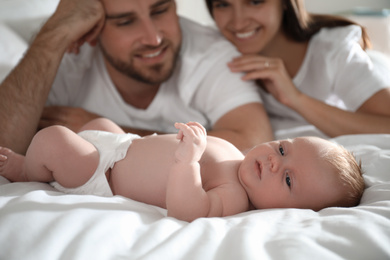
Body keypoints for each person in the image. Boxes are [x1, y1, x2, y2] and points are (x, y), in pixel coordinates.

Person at [0, 0, 273, 155]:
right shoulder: (67, 57)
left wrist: (108, 132)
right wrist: (53, 37)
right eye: (125, 22)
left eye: (160, 10)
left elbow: (253, 141)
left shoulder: (209, 53)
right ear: (92, 29)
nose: (153, 38)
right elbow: (4, 148)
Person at [0, 118, 364, 222]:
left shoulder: (234, 197)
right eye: (283, 149)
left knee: (55, 139)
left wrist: (187, 161)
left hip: (101, 174)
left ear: (288, 212)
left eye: (287, 178)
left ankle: (25, 168)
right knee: (99, 121)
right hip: (123, 145)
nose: (274, 159)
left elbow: (188, 210)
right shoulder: (238, 155)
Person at [204, 0, 390, 139]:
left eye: (255, 1)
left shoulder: (332, 51)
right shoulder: (213, 51)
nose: (238, 22)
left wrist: (296, 98)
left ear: (284, 3)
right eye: (222, 4)